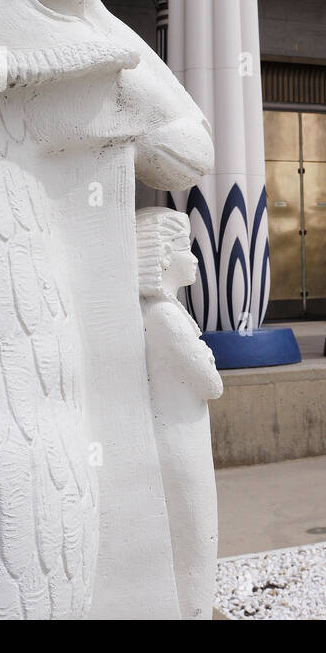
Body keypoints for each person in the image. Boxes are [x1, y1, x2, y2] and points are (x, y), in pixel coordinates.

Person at [136, 206, 224, 619]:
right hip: (180, 446)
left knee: (194, 537)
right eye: (186, 249)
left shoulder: (161, 314)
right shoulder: (165, 317)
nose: (194, 259)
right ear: (165, 257)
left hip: (180, 438)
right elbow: (212, 384)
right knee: (195, 540)